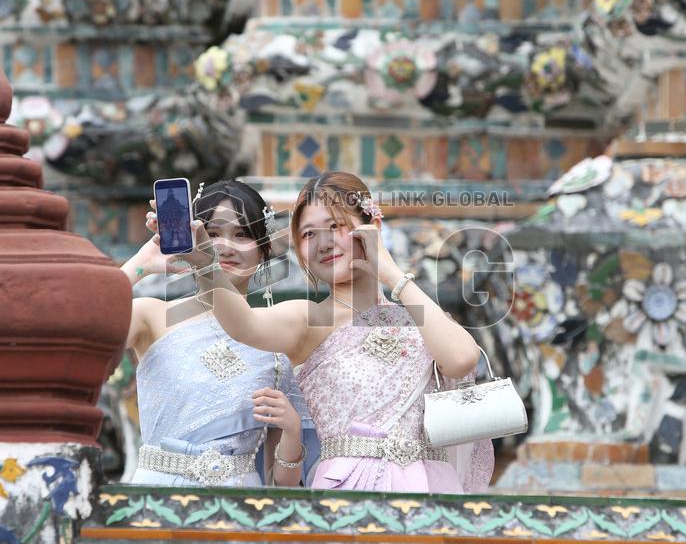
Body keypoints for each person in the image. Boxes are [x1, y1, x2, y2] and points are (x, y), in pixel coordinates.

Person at [178, 171, 493, 492]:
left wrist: (391, 273)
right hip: (346, 493)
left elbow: (462, 359)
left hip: (428, 491)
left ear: (372, 228)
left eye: (335, 227)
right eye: (309, 234)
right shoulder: (311, 319)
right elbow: (244, 325)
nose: (324, 243)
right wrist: (205, 265)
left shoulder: (418, 316)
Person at [121, 180, 318, 487]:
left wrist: (292, 431)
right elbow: (77, 329)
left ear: (265, 249)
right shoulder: (151, 315)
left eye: (242, 235)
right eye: (212, 234)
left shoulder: (278, 338)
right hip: (156, 496)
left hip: (239, 505)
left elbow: (282, 485)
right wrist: (141, 264)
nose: (225, 247)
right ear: (192, 240)